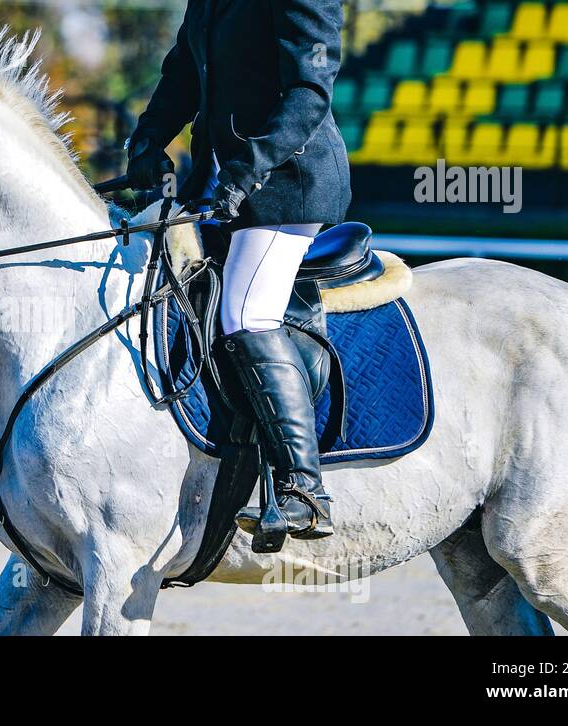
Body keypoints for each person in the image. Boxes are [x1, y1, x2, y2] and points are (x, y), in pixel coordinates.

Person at [127, 0, 351, 541]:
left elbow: (309, 93)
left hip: (289, 185)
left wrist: (249, 169)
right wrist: (148, 139)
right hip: (218, 180)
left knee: (247, 314)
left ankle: (304, 487)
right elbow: (183, 71)